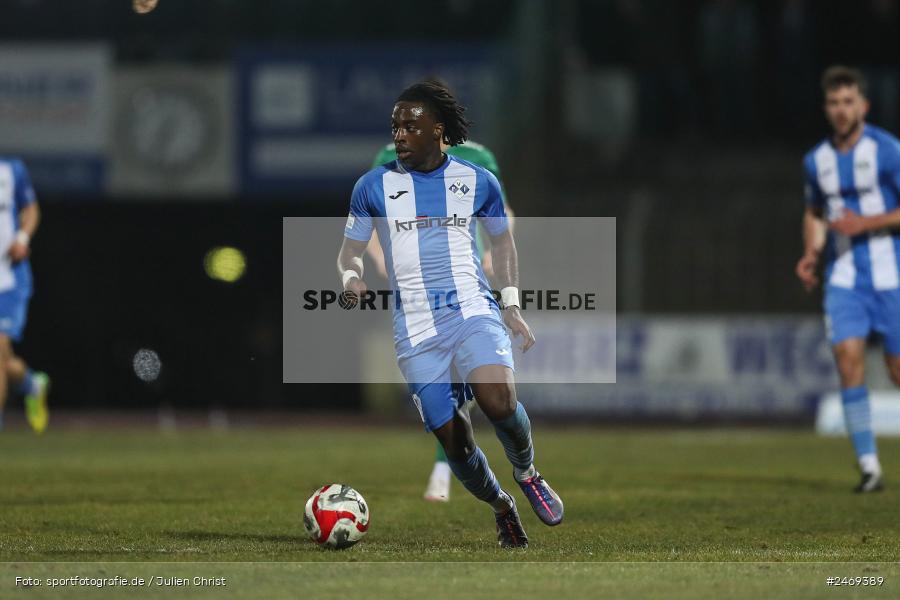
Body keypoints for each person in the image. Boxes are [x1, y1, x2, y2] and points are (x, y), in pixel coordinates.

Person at [338, 80, 562, 547]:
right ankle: (503, 506)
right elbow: (350, 251)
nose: (398, 135)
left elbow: (502, 243)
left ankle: (527, 472)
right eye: (395, 126)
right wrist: (351, 278)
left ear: (438, 131)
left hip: (472, 311)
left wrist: (512, 305)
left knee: (498, 400)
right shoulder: (372, 186)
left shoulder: (477, 180)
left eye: (409, 126)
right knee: (455, 442)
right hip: (415, 329)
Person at [368, 101, 515, 503]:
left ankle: (444, 467)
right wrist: (382, 259)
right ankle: (446, 462)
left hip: (467, 278)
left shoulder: (477, 157)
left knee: (469, 375)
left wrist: (492, 251)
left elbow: (501, 213)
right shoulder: (389, 156)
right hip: (416, 284)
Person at [796, 65, 900, 493]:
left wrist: (868, 223)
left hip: (892, 277)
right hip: (843, 280)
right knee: (848, 360)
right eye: (834, 103)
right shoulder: (815, 161)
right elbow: (815, 212)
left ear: (864, 106)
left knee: (897, 372)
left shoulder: (888, 150)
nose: (841, 110)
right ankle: (870, 466)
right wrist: (811, 253)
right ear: (826, 108)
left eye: (848, 102)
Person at [0, 158, 49, 433]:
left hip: (8, 279)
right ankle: (32, 385)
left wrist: (22, 238)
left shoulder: (10, 171)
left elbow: (31, 209)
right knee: (6, 362)